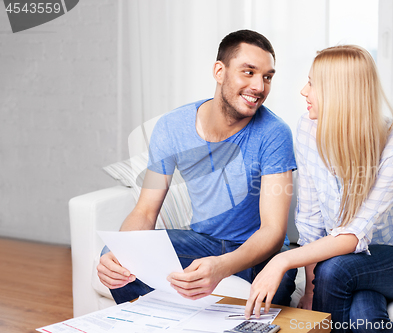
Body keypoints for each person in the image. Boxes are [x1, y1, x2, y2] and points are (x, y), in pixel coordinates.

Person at [245, 45, 393, 332]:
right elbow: (311, 223)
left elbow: (354, 234)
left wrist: (281, 262)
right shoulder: (308, 130)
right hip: (351, 270)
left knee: (334, 268)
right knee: (366, 317)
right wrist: (310, 292)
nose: (303, 91)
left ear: (338, 91)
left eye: (311, 83)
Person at [97, 29, 297, 305]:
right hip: (203, 241)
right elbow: (145, 210)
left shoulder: (275, 133)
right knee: (114, 254)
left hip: (258, 253)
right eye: (248, 72)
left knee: (281, 279)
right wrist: (123, 252)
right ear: (219, 71)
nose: (260, 87)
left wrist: (222, 267)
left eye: (267, 77)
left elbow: (273, 231)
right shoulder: (172, 127)